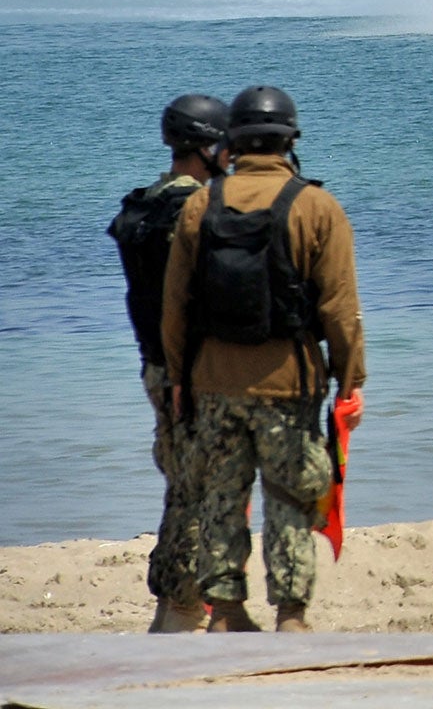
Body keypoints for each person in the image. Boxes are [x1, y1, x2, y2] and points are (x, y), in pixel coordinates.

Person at [161, 85, 366, 633]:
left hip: (212, 382)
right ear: (289, 140)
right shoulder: (317, 207)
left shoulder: (201, 204)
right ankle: (291, 615)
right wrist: (350, 381)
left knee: (221, 499)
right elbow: (340, 309)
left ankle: (226, 611)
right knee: (290, 498)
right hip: (289, 384)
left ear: (233, 141)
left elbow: (175, 308)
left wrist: (179, 378)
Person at [108, 94, 229, 633]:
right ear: (207, 148)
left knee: (183, 486)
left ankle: (172, 608)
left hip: (155, 367)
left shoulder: (142, 206)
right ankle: (182, 610)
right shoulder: (196, 211)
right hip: (192, 374)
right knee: (202, 490)